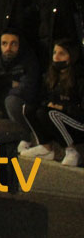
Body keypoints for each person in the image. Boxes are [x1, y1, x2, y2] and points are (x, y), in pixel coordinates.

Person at [20, 39, 84, 167]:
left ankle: (71, 150)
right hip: (58, 118)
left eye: (62, 53)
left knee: (52, 114)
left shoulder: (79, 77)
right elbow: (43, 98)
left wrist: (63, 107)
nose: (56, 57)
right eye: (55, 53)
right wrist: (49, 104)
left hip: (78, 122)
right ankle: (45, 147)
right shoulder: (51, 75)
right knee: (30, 108)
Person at [0, 29, 40, 144]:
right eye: (4, 44)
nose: (8, 48)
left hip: (22, 103)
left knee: (11, 101)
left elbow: (27, 88)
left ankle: (25, 137)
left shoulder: (29, 62)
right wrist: (7, 83)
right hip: (2, 97)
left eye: (13, 44)